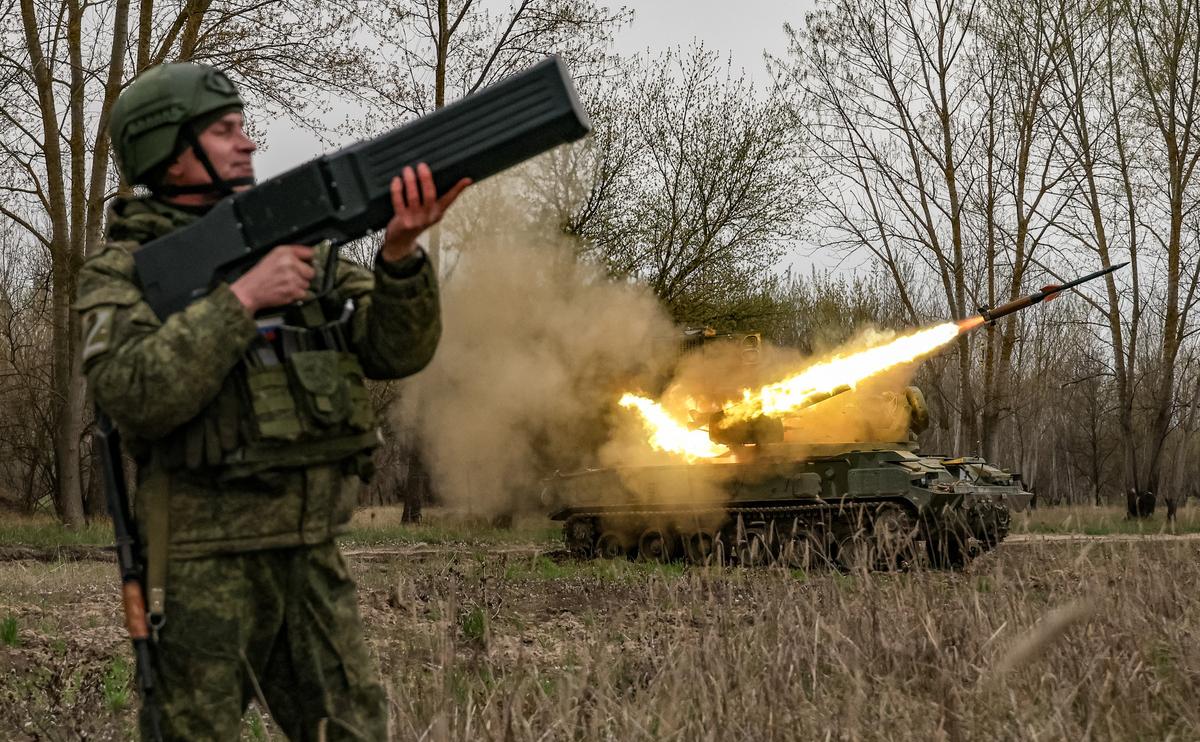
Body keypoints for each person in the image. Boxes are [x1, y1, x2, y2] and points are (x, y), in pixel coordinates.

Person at [76, 62, 469, 740]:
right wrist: (243, 300)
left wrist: (400, 255)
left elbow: (395, 352)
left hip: (313, 553)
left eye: (243, 128)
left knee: (354, 729)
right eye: (225, 131)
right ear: (169, 150)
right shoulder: (122, 271)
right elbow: (133, 392)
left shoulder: (297, 245)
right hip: (208, 566)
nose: (248, 143)